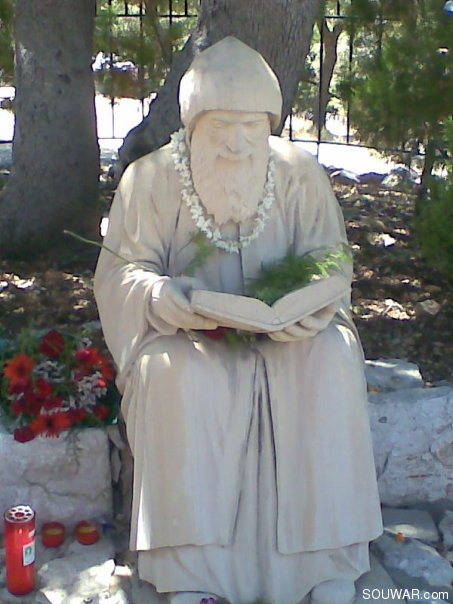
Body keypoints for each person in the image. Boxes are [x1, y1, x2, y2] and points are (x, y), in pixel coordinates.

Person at [94, 36, 383, 604]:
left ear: (270, 125)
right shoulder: (150, 181)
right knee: (172, 375)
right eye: (222, 125)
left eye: (251, 128)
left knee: (330, 357)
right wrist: (157, 297)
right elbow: (119, 275)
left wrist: (315, 307)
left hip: (287, 339)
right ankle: (190, 573)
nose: (236, 143)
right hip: (187, 337)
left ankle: (323, 561)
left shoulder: (301, 176)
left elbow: (332, 264)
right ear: (193, 124)